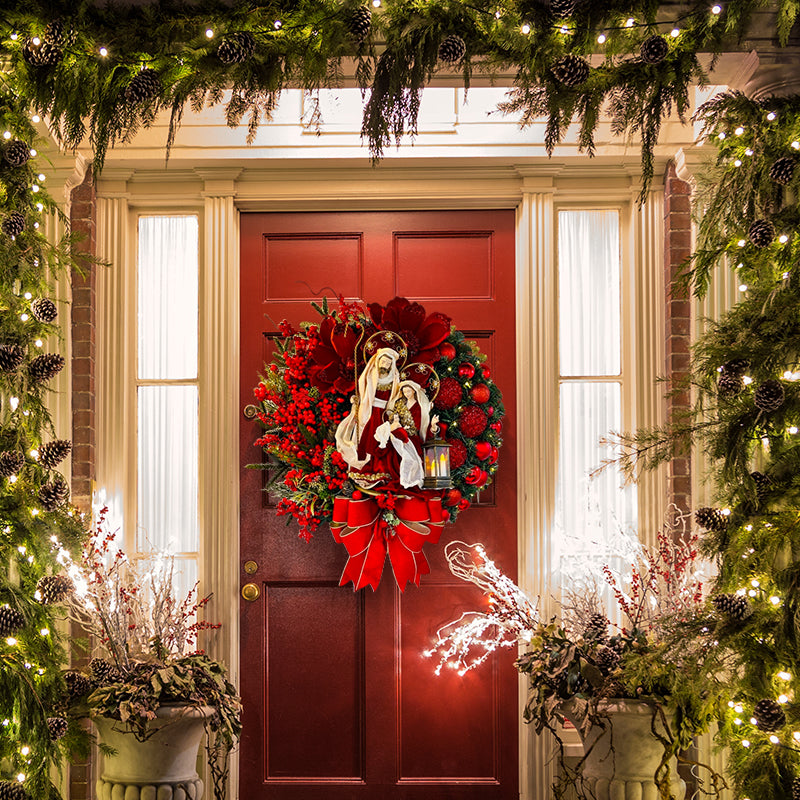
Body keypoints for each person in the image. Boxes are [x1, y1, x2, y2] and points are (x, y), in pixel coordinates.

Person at [334, 342, 404, 488]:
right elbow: (364, 392)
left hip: (384, 413)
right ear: (378, 361)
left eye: (388, 363)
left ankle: (382, 470)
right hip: (370, 411)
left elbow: (396, 396)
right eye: (383, 361)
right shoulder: (370, 376)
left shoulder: (394, 379)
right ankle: (364, 467)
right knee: (367, 439)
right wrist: (357, 401)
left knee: (383, 440)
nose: (385, 364)